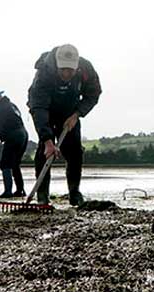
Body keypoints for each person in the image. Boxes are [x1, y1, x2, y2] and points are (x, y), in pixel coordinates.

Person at [27, 44, 102, 206]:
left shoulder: (86, 69)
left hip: (70, 113)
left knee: (75, 152)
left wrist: (77, 114)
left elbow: (93, 94)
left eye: (71, 70)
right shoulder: (44, 73)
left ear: (77, 66)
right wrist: (48, 141)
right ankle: (42, 196)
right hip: (45, 110)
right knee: (44, 152)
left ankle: (74, 192)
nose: (67, 74)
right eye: (63, 70)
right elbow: (38, 108)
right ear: (56, 66)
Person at [0, 89, 29, 198]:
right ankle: (20, 190)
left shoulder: (1, 109)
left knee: (5, 163)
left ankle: (8, 191)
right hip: (23, 134)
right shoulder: (11, 105)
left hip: (13, 136)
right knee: (15, 164)